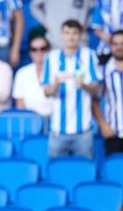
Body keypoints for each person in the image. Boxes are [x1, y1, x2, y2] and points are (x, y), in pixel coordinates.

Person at [42, 19, 101, 158]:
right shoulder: (51, 58)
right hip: (57, 129)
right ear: (61, 35)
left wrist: (84, 86)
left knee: (85, 172)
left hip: (83, 130)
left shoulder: (89, 56)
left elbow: (96, 89)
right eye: (67, 33)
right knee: (56, 173)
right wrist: (55, 85)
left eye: (75, 33)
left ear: (80, 35)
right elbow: (46, 92)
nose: (71, 37)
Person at [12, 34, 53, 117]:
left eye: (43, 49)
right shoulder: (22, 73)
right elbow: (20, 104)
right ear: (30, 53)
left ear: (49, 50)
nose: (39, 52)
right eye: (34, 49)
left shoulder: (58, 71)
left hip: (54, 121)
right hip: (30, 121)